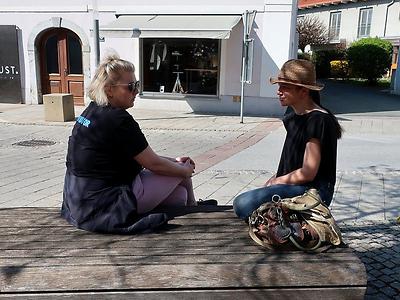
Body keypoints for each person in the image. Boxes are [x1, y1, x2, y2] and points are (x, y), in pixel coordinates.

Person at [61, 54, 204, 234]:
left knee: (179, 196)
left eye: (137, 85)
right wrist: (183, 169)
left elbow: (142, 156)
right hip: (108, 201)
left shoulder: (93, 111)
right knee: (183, 171)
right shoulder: (118, 120)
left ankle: (191, 205)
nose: (136, 91)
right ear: (109, 89)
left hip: (80, 200)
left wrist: (173, 162)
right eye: (131, 87)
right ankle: (195, 210)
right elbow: (153, 164)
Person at [233, 59, 343, 220]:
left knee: (243, 203)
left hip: (313, 192)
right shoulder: (293, 116)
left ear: (304, 91)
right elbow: (290, 162)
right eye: (279, 86)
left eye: (285, 87)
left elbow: (308, 172)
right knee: (246, 203)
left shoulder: (319, 120)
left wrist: (277, 181)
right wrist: (275, 181)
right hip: (295, 186)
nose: (279, 91)